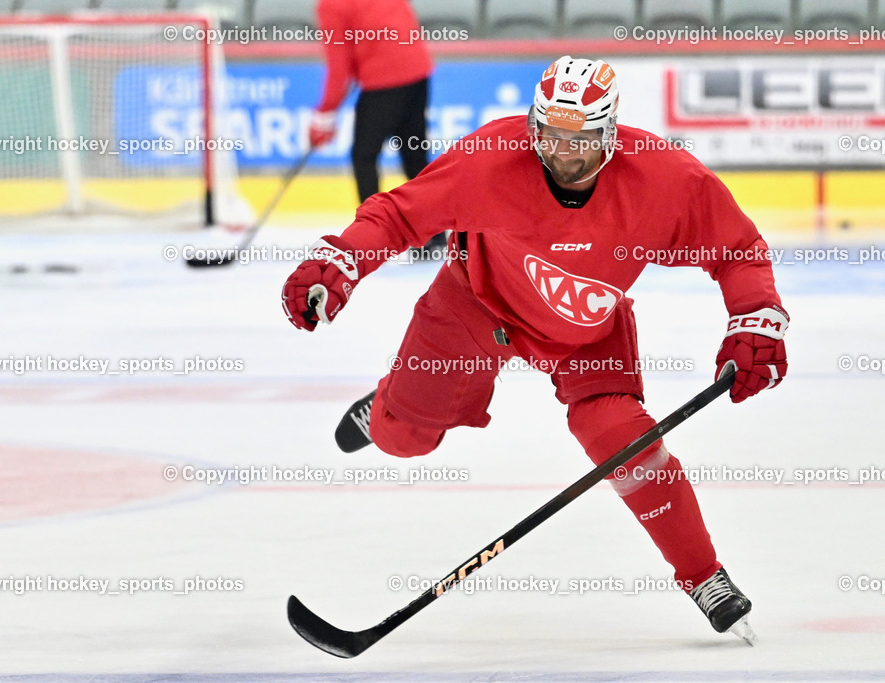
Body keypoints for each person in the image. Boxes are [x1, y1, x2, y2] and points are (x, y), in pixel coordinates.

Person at [282, 56, 789, 643]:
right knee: (405, 438)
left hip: (586, 328)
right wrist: (340, 261)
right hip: (476, 303)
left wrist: (755, 319)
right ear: (532, 125)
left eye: (581, 140)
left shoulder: (665, 179)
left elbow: (738, 249)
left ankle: (705, 576)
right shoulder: (492, 159)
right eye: (549, 135)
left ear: (610, 133)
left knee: (625, 439)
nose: (561, 154)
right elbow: (400, 214)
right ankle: (388, 409)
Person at [307, 0, 446, 258]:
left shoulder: (330, 6)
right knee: (414, 155)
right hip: (417, 71)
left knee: (364, 156)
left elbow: (339, 66)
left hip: (384, 79)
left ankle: (374, 238)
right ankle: (434, 237)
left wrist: (324, 114)